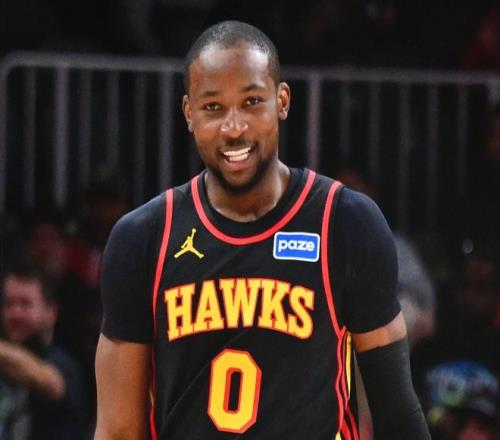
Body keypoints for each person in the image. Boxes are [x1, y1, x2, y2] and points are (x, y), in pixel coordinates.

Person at [95, 20, 430, 439]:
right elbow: (118, 430)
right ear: (188, 113)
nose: (234, 127)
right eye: (213, 107)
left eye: (252, 102)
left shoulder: (345, 222)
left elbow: (397, 415)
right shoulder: (143, 238)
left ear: (282, 101)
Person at [0, 260, 86, 439]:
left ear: (50, 311)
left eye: (25, 304)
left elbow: (48, 382)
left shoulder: (64, 364)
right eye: (8, 303)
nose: (15, 313)